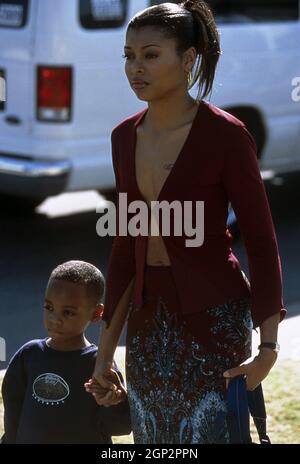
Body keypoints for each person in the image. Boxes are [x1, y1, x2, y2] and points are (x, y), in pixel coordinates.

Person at [85, 1, 286, 444]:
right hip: (147, 322)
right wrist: (104, 354)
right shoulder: (123, 137)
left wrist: (268, 349)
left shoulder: (227, 135)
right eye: (129, 55)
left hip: (213, 319)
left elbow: (261, 240)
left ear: (188, 58)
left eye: (151, 55)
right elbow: (125, 246)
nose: (135, 67)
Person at [1, 260, 131, 444]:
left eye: (68, 312)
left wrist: (114, 401)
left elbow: (120, 426)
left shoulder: (99, 366)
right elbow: (13, 417)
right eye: (49, 308)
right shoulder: (28, 356)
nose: (54, 319)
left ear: (96, 313)